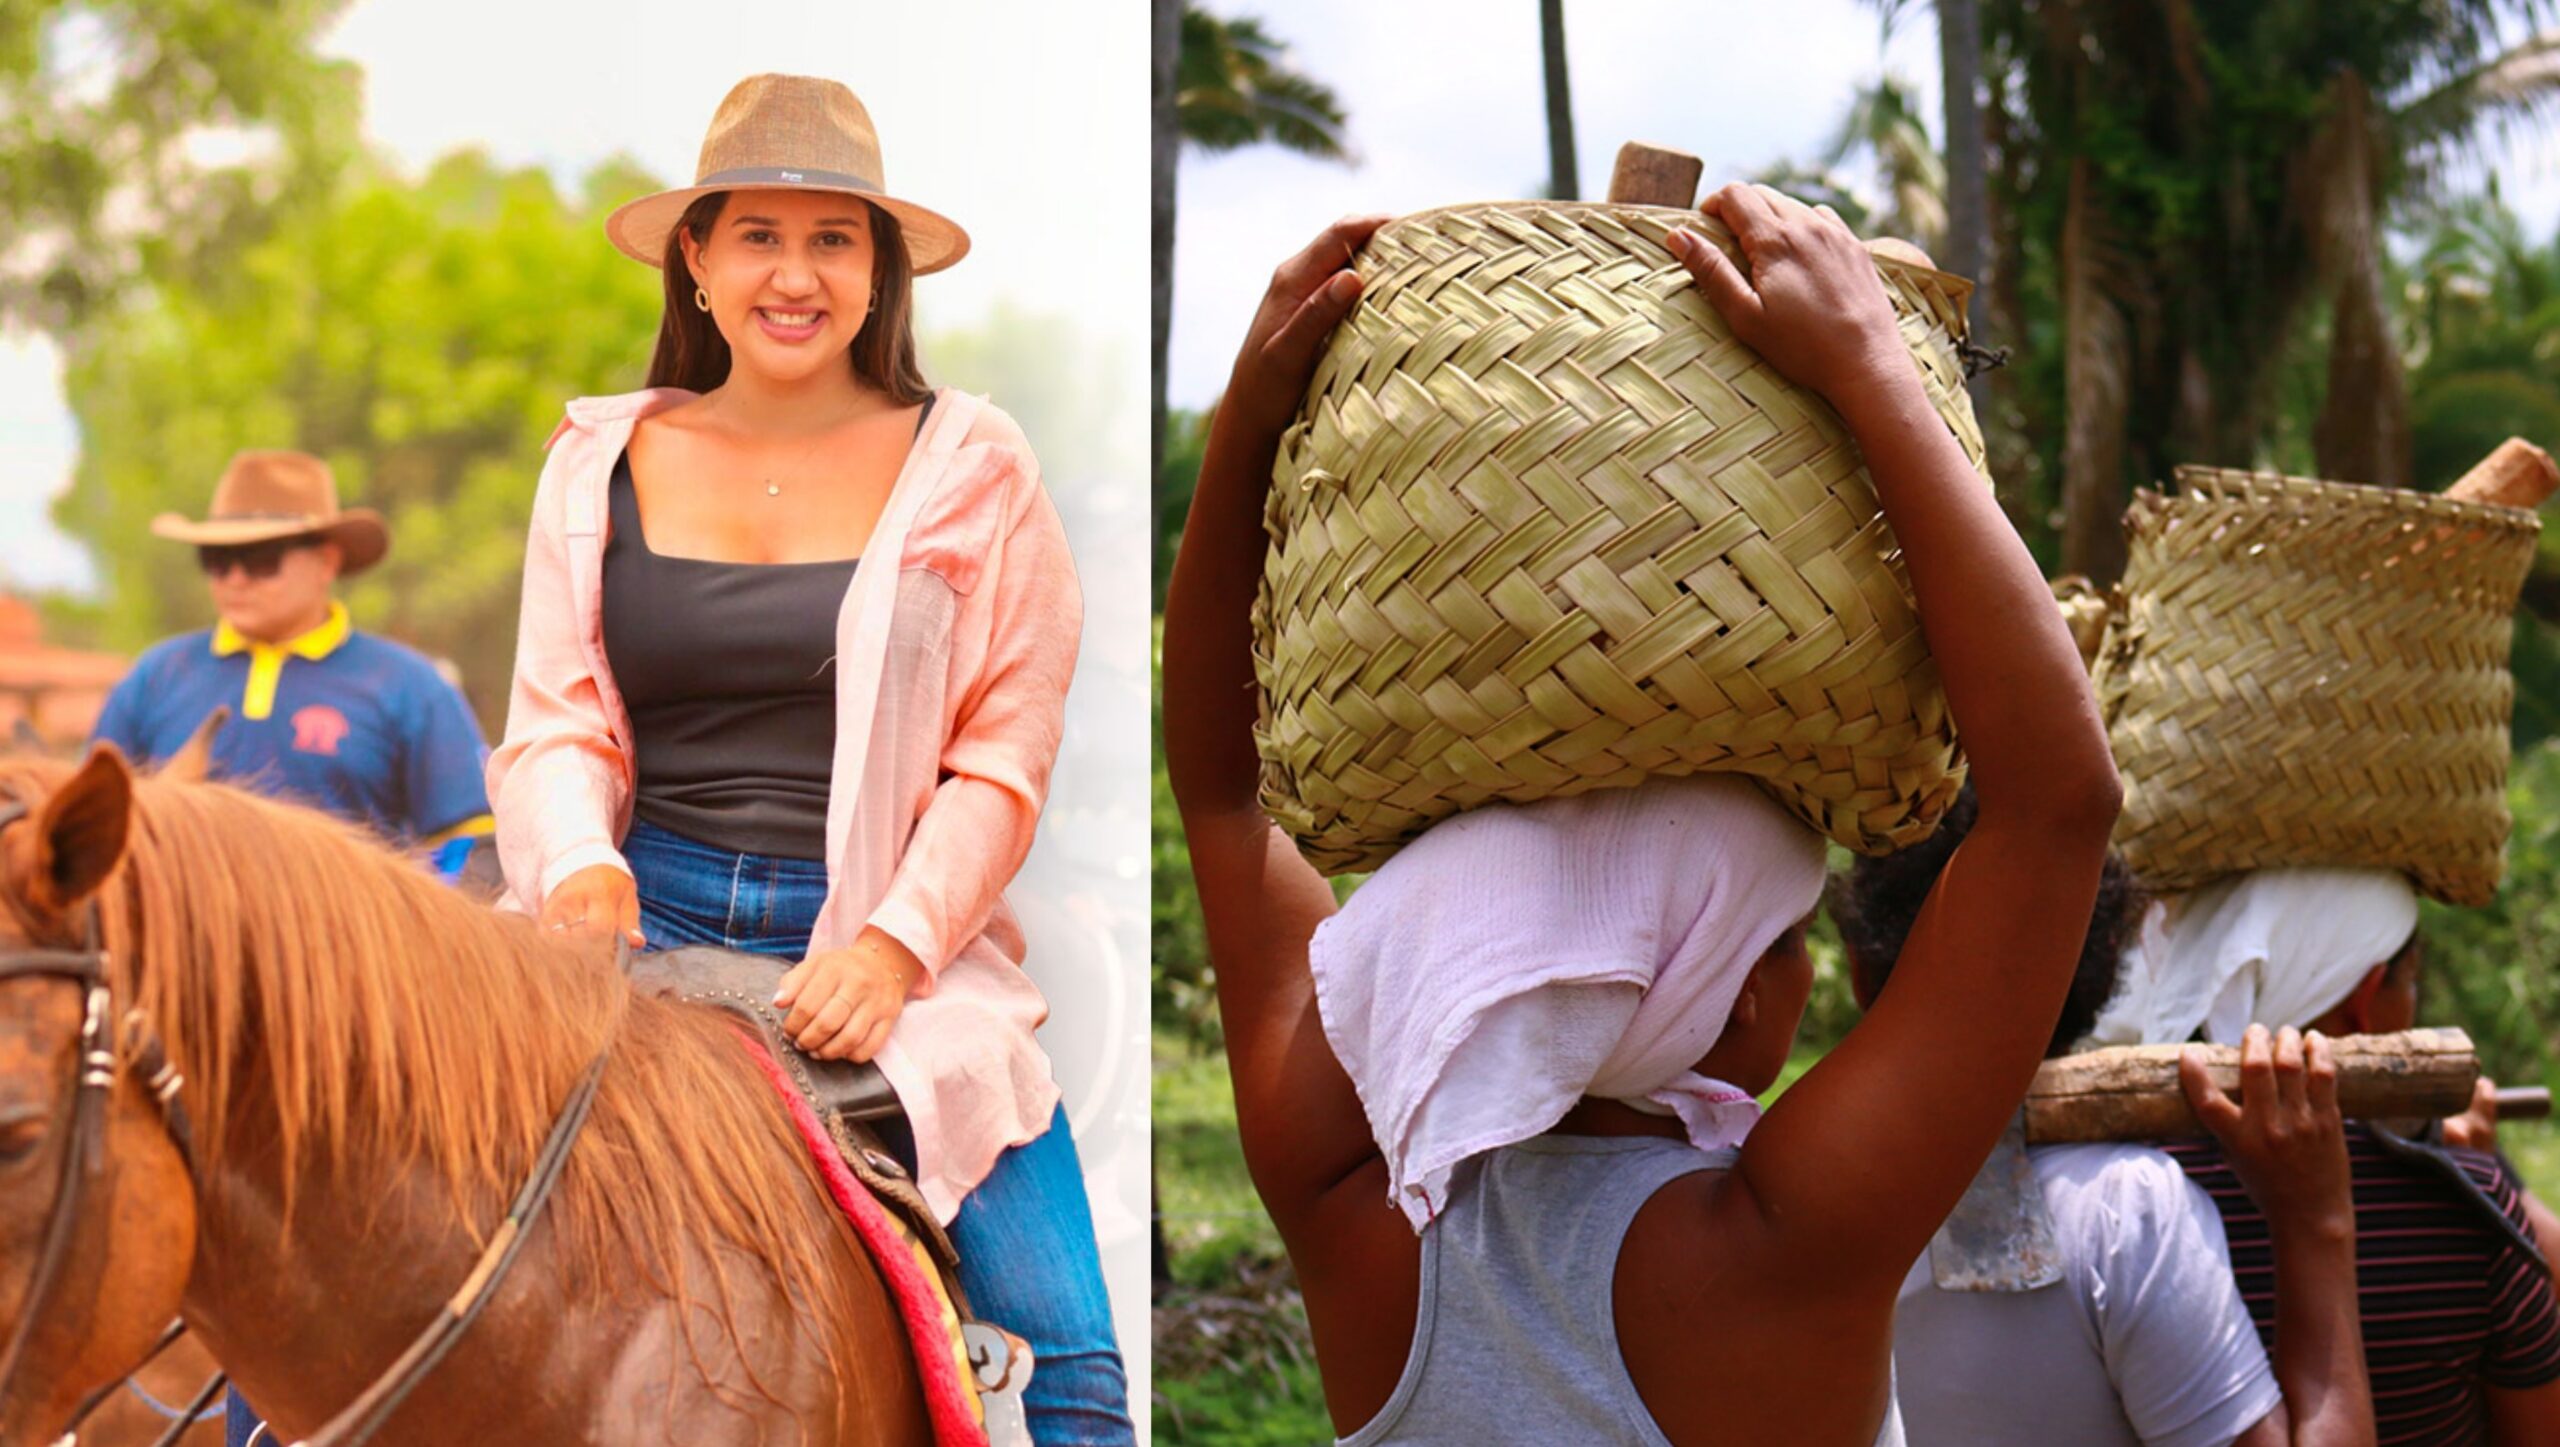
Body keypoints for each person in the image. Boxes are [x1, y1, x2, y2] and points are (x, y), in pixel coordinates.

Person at [1163, 187, 2120, 1444]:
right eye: (1781, 937)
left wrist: (1250, 421)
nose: (1811, 966)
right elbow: (2058, 808)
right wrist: (1869, 367)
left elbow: (1226, 798)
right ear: (1708, 993)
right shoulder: (1786, 1248)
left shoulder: (1357, 1210)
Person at [485, 73, 1127, 1444]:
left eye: (834, 238)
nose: (796, 272)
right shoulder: (595, 463)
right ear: (700, 263)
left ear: (881, 272)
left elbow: (1003, 748)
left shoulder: (976, 465)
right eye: (759, 235)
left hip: (890, 958)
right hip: (619, 930)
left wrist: (893, 948)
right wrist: (583, 866)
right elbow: (556, 718)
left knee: (1074, 1368)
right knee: (355, 1222)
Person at [88, 447, 495, 1447]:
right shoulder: (158, 679)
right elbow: (97, 842)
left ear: (325, 559)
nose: (236, 577)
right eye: (219, 559)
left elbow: (475, 852)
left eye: (264, 556)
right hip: (175, 1023)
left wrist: (382, 942)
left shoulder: (404, 689)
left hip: (353, 1038)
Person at [1836, 789, 2373, 1446]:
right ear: (2098, 972)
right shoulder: (2126, 1214)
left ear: (1859, 972)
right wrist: (2315, 1220)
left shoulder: (1775, 1196)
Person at [2090, 869, 2560, 1444]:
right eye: (2407, 982)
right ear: (2364, 1003)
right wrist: (2484, 1176)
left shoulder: (2120, 1199)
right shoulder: (2462, 1208)